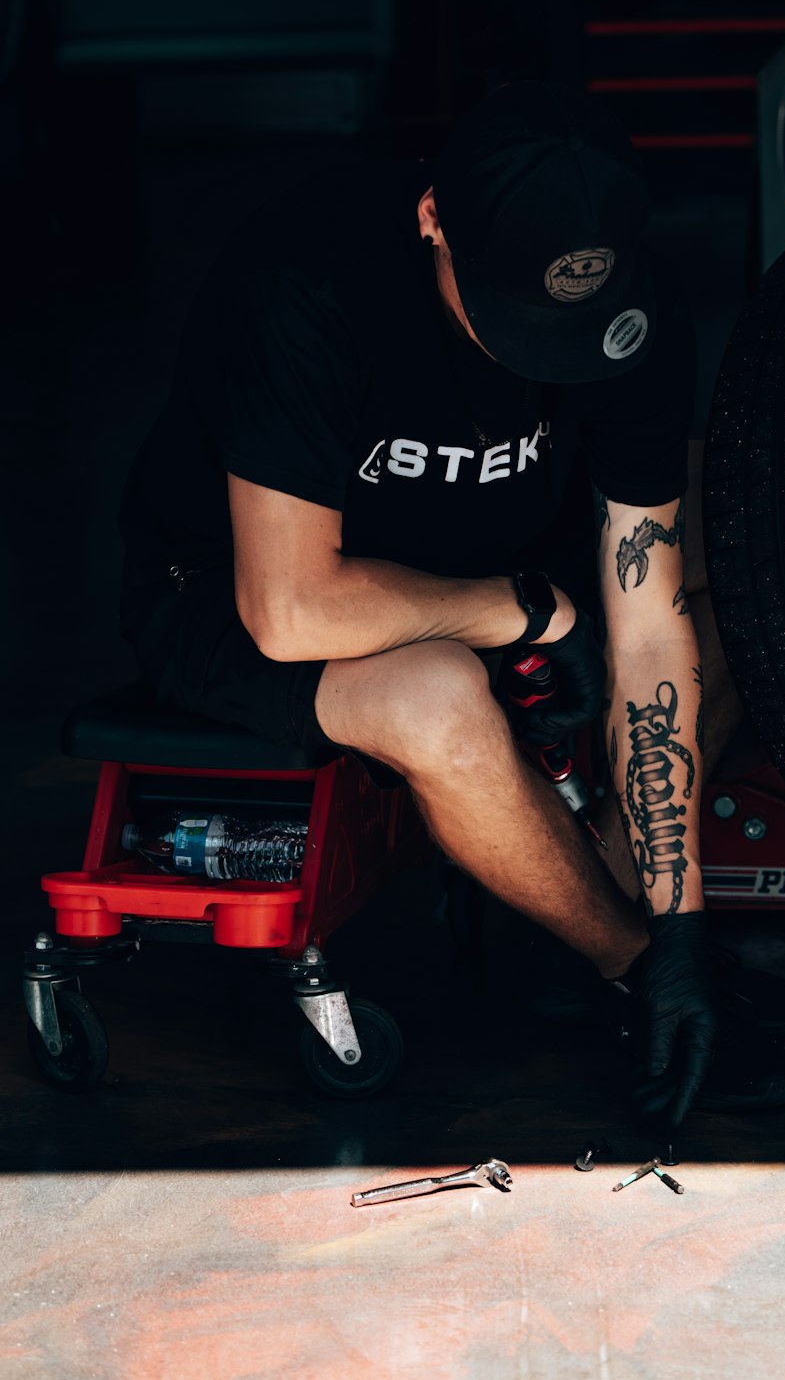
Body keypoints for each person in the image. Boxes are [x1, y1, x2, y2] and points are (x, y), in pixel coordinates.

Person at [119, 80, 743, 1126]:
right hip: (234, 594)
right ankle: (620, 967)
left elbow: (647, 607)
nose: (535, 353)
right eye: (512, 311)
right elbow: (290, 608)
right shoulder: (305, 279)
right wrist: (522, 614)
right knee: (436, 693)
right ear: (432, 217)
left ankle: (613, 909)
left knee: (708, 614)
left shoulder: (636, 312)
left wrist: (688, 923)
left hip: (498, 568)